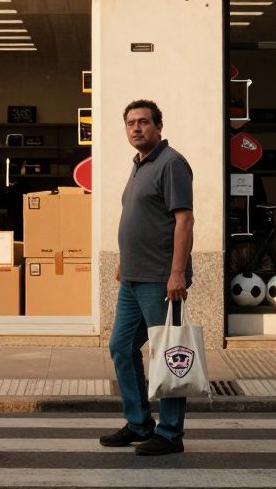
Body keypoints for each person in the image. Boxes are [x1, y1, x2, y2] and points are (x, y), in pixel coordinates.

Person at [99, 99, 194, 456]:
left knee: (168, 354)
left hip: (161, 280)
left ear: (158, 126)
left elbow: (184, 220)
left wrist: (177, 272)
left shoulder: (171, 164)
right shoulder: (139, 165)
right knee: (121, 348)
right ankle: (139, 423)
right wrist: (125, 260)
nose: (136, 128)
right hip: (133, 279)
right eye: (130, 123)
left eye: (143, 122)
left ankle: (170, 434)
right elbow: (141, 219)